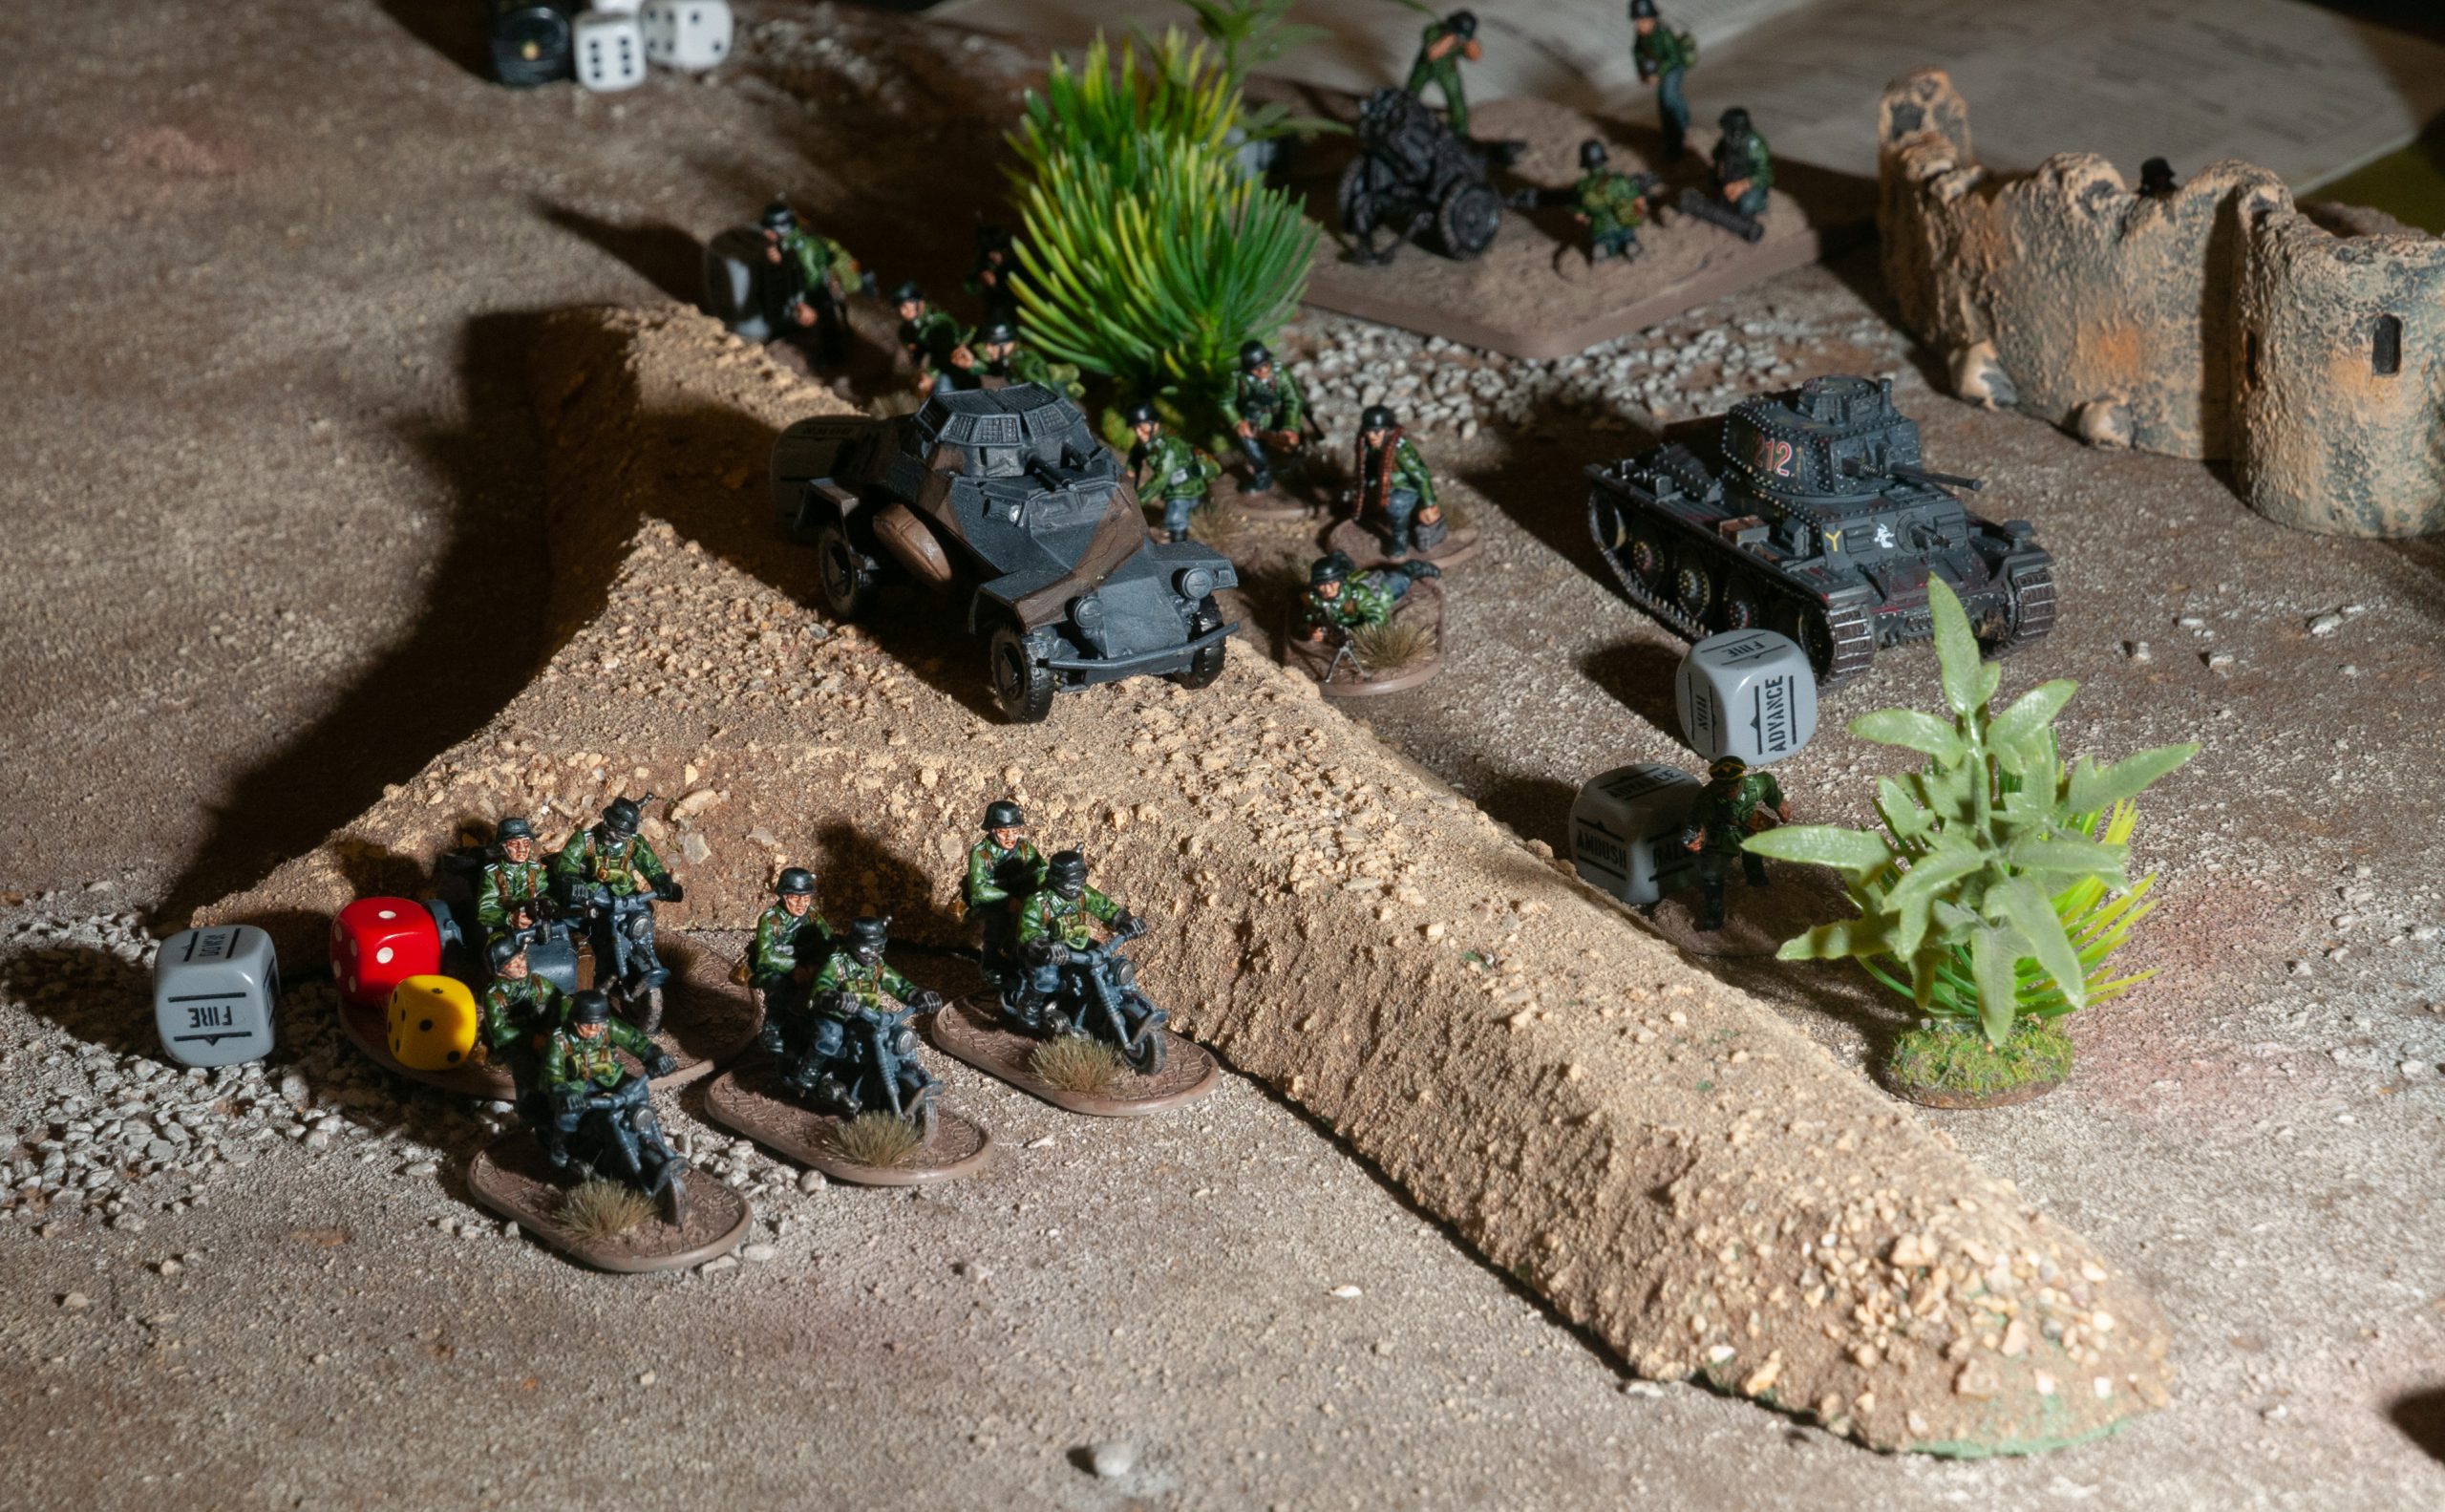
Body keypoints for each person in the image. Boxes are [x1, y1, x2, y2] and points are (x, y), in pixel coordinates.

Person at [550, 795, 682, 1000]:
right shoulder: (585, 840)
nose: (611, 832)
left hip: (623, 893)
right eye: (609, 825)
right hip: (591, 894)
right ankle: (586, 969)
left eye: (620, 831)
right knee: (584, 924)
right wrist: (573, 881)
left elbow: (652, 867)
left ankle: (643, 953)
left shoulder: (635, 844)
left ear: (630, 833)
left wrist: (664, 883)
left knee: (643, 913)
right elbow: (567, 863)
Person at [538, 990, 678, 1169]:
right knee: (569, 1114)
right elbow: (553, 1073)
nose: (594, 1030)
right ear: (574, 1020)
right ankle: (561, 1149)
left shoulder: (608, 1027)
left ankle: (645, 1130)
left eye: (598, 1024)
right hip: (575, 1085)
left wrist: (655, 1055)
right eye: (587, 1025)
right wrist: (565, 1092)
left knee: (637, 1090)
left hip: (609, 1077)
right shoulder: (560, 1040)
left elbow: (634, 1040)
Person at [1009, 850, 1135, 1030]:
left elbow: (1104, 906)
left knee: (1104, 962)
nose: (1076, 888)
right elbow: (1029, 929)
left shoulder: (1083, 893)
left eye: (1080, 881)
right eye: (1070, 884)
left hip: (1075, 943)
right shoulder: (1038, 902)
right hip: (1044, 950)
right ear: (1055, 880)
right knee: (1048, 977)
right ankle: (1029, 1005)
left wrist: (1125, 919)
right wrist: (1044, 946)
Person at [1678, 756, 1789, 931]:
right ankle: (1714, 915)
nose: (1729, 790)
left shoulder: (1754, 786)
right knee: (1712, 874)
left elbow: (1769, 783)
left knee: (1753, 855)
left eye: (1733, 786)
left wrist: (1778, 804)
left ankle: (1757, 880)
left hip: (1748, 831)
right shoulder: (1707, 798)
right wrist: (1692, 836)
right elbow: (1695, 819)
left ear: (1740, 780)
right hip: (1723, 836)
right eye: (1724, 787)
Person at [760, 198, 863, 366]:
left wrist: (801, 303)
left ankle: (833, 358)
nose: (766, 232)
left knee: (826, 322)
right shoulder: (788, 241)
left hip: (819, 288)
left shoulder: (804, 247)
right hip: (810, 286)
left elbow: (811, 278)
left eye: (770, 229)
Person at [478, 935, 564, 1126]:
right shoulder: (494, 996)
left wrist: (566, 1021)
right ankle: (529, 1114)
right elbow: (500, 1033)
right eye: (512, 963)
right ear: (500, 971)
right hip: (514, 1043)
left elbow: (560, 1001)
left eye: (521, 958)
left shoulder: (537, 983)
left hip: (543, 1034)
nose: (521, 965)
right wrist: (531, 1038)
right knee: (525, 1066)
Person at [750, 867, 832, 1060]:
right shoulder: (771, 920)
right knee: (779, 988)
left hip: (808, 966)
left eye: (806, 898)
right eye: (795, 898)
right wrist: (794, 967)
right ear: (784, 896)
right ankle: (771, 1028)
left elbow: (829, 944)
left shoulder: (813, 917)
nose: (802, 904)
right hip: (776, 970)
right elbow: (765, 956)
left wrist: (816, 965)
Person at [962, 800, 1047, 985]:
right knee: (996, 924)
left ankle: (1025, 957)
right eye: (1003, 832)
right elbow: (978, 890)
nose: (1010, 837)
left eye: (1015, 831)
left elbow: (1041, 870)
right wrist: (1009, 901)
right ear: (992, 831)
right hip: (993, 901)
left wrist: (1043, 891)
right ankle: (990, 964)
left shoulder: (1024, 849)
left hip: (1021, 895)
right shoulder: (980, 854)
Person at [1350, 404, 1443, 559]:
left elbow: (1421, 475)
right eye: (1368, 431)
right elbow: (1369, 467)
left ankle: (1400, 538)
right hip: (1385, 484)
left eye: (1377, 431)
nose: (1372, 436)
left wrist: (1429, 503)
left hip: (1406, 488)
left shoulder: (1400, 450)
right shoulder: (1368, 445)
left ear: (1387, 430)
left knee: (1396, 504)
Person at [1222, 340, 1309, 495]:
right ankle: (1263, 477)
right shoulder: (1238, 379)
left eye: (1265, 365)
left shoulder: (1281, 374)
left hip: (1281, 416)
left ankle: (1296, 472)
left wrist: (1290, 426)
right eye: (1256, 368)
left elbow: (1294, 400)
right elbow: (1225, 402)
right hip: (1254, 420)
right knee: (1252, 448)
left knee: (1293, 446)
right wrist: (1237, 422)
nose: (1263, 370)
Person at [1126, 403, 1219, 544]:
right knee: (1193, 512)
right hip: (1179, 485)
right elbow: (1138, 451)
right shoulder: (1152, 439)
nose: (1139, 433)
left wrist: (1134, 502)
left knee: (1176, 519)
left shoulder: (1170, 446)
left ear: (1154, 424)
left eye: (1142, 427)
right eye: (1135, 428)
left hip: (1182, 488)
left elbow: (1160, 480)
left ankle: (1179, 546)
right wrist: (1131, 467)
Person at [1297, 551, 1437, 642]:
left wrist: (1354, 634)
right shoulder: (1313, 598)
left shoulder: (1358, 593)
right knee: (1350, 570)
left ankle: (1415, 567)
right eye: (1321, 585)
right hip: (1352, 578)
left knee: (1401, 579)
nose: (1327, 590)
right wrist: (1311, 630)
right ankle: (1341, 559)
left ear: (1339, 581)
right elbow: (1305, 620)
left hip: (1379, 592)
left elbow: (1379, 618)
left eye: (1332, 584)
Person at [1629, 1, 1697, 163]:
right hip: (1659, 71)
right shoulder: (1641, 35)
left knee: (1669, 99)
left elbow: (1673, 57)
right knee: (1665, 102)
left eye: (1644, 20)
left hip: (1673, 69)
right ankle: (1673, 136)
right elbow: (1638, 52)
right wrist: (1645, 72)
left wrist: (1657, 72)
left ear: (1652, 19)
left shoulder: (1663, 33)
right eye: (1638, 21)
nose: (1640, 24)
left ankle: (1679, 135)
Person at [476, 816, 553, 950]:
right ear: (503, 846)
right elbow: (485, 910)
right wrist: (509, 918)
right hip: (505, 929)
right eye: (515, 844)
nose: (522, 849)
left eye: (526, 843)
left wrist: (546, 908)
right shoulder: (492, 873)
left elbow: (546, 893)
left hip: (534, 924)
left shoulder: (535, 870)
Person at [1570, 139, 1653, 264]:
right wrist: (1638, 212)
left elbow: (1579, 216)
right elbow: (1638, 200)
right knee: (1628, 238)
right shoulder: (1619, 180)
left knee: (1601, 241)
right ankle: (1631, 246)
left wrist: (1589, 220)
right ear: (1603, 159)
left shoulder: (1581, 187)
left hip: (1598, 228)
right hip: (1622, 223)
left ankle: (1601, 250)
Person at [1404, 11, 1482, 138]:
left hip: (1447, 70)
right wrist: (1449, 38)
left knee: (1456, 100)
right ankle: (1403, 116)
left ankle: (1460, 131)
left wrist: (1469, 41)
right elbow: (1432, 55)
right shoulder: (1433, 31)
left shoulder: (1464, 39)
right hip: (1425, 66)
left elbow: (1475, 57)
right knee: (1411, 93)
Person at [891, 282, 973, 395]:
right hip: (936, 365)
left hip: (954, 370)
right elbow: (907, 337)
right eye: (899, 308)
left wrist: (930, 375)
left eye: (905, 306)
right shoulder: (913, 324)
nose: (902, 312)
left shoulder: (940, 323)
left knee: (941, 391)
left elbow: (947, 357)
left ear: (919, 303)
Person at [972, 321, 1083, 398]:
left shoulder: (1023, 360)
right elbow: (996, 372)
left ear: (1004, 343)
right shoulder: (1012, 358)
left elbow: (1044, 390)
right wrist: (973, 365)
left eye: (992, 344)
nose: (987, 349)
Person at [1710, 107, 1775, 219]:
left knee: (1746, 206)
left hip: (1751, 180)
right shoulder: (1727, 140)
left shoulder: (1755, 145)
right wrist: (1720, 167)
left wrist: (1743, 185)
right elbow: (1716, 154)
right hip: (1731, 176)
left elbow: (1766, 175)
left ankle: (1759, 203)